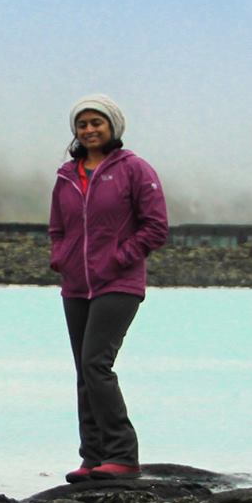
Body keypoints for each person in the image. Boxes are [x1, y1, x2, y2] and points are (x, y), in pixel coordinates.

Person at [48, 94, 167, 481]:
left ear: (113, 126)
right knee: (84, 372)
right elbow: (57, 228)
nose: (89, 130)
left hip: (119, 283)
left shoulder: (135, 169)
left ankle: (122, 455)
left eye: (96, 122)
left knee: (96, 364)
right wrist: (61, 257)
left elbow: (155, 227)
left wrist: (118, 258)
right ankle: (93, 458)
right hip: (76, 286)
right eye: (82, 124)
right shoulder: (66, 176)